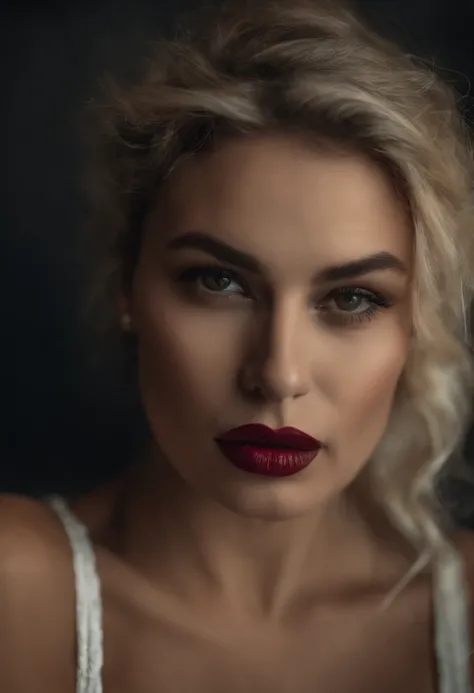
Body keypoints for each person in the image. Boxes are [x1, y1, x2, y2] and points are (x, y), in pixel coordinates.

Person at [1, 0, 474, 690]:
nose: (278, 373)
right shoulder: (18, 592)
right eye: (219, 281)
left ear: (414, 323)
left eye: (351, 298)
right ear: (128, 284)